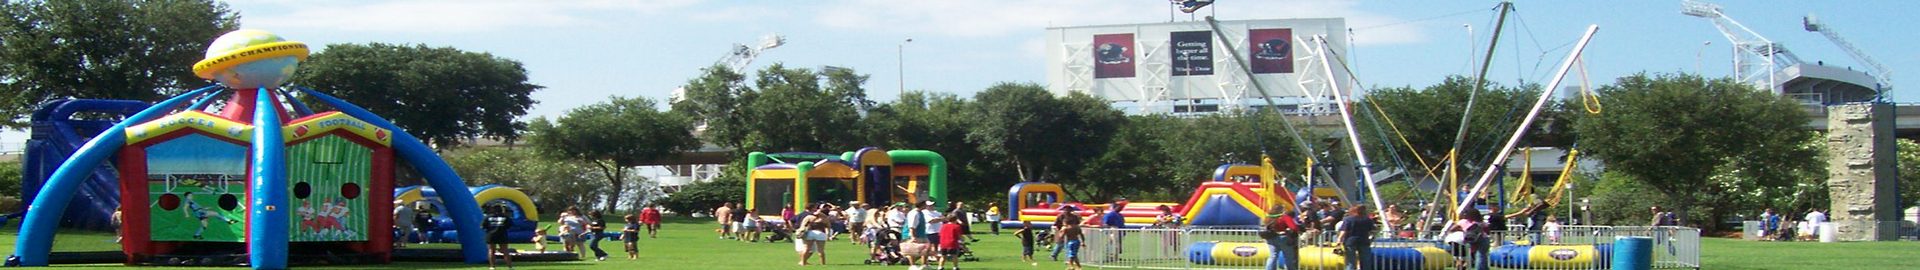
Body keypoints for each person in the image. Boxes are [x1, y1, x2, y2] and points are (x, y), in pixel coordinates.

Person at [1335, 206, 1375, 270]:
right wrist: (1371, 239)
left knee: (1351, 261)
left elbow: (1344, 231)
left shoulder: (1348, 219)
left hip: (1350, 241)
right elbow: (1372, 231)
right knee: (1366, 261)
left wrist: (1339, 239)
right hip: (1364, 241)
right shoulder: (1367, 219)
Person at [484, 205, 515, 270]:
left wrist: (490, 229)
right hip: (502, 234)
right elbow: (510, 225)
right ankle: (510, 266)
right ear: (501, 210)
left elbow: (483, 226)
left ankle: (492, 266)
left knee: (491, 250)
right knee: (505, 251)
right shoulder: (505, 217)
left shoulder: (488, 217)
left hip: (491, 235)